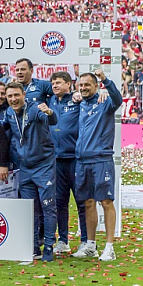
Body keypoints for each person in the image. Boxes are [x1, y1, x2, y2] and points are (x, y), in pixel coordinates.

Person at [3, 81, 58, 261]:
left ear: (24, 95)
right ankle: (34, 245)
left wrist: (49, 113)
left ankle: (49, 245)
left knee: (48, 206)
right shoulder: (9, 113)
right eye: (10, 96)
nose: (13, 99)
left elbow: (51, 120)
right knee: (30, 209)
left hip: (43, 165)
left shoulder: (34, 110)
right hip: (24, 167)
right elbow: (2, 129)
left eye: (16, 95)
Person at [72, 69, 123, 261]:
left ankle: (109, 247)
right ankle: (91, 245)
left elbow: (118, 99)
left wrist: (105, 80)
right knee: (88, 203)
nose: (83, 88)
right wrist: (75, 95)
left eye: (87, 85)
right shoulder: (79, 104)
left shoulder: (105, 103)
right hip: (82, 161)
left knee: (106, 202)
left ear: (96, 86)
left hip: (101, 160)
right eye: (81, 85)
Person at [48, 71, 86, 254]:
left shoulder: (77, 100)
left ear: (69, 84)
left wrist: (78, 95)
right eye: (53, 83)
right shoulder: (50, 101)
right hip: (56, 160)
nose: (55, 85)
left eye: (59, 82)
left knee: (81, 200)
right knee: (60, 202)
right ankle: (63, 240)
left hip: (75, 159)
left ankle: (86, 240)